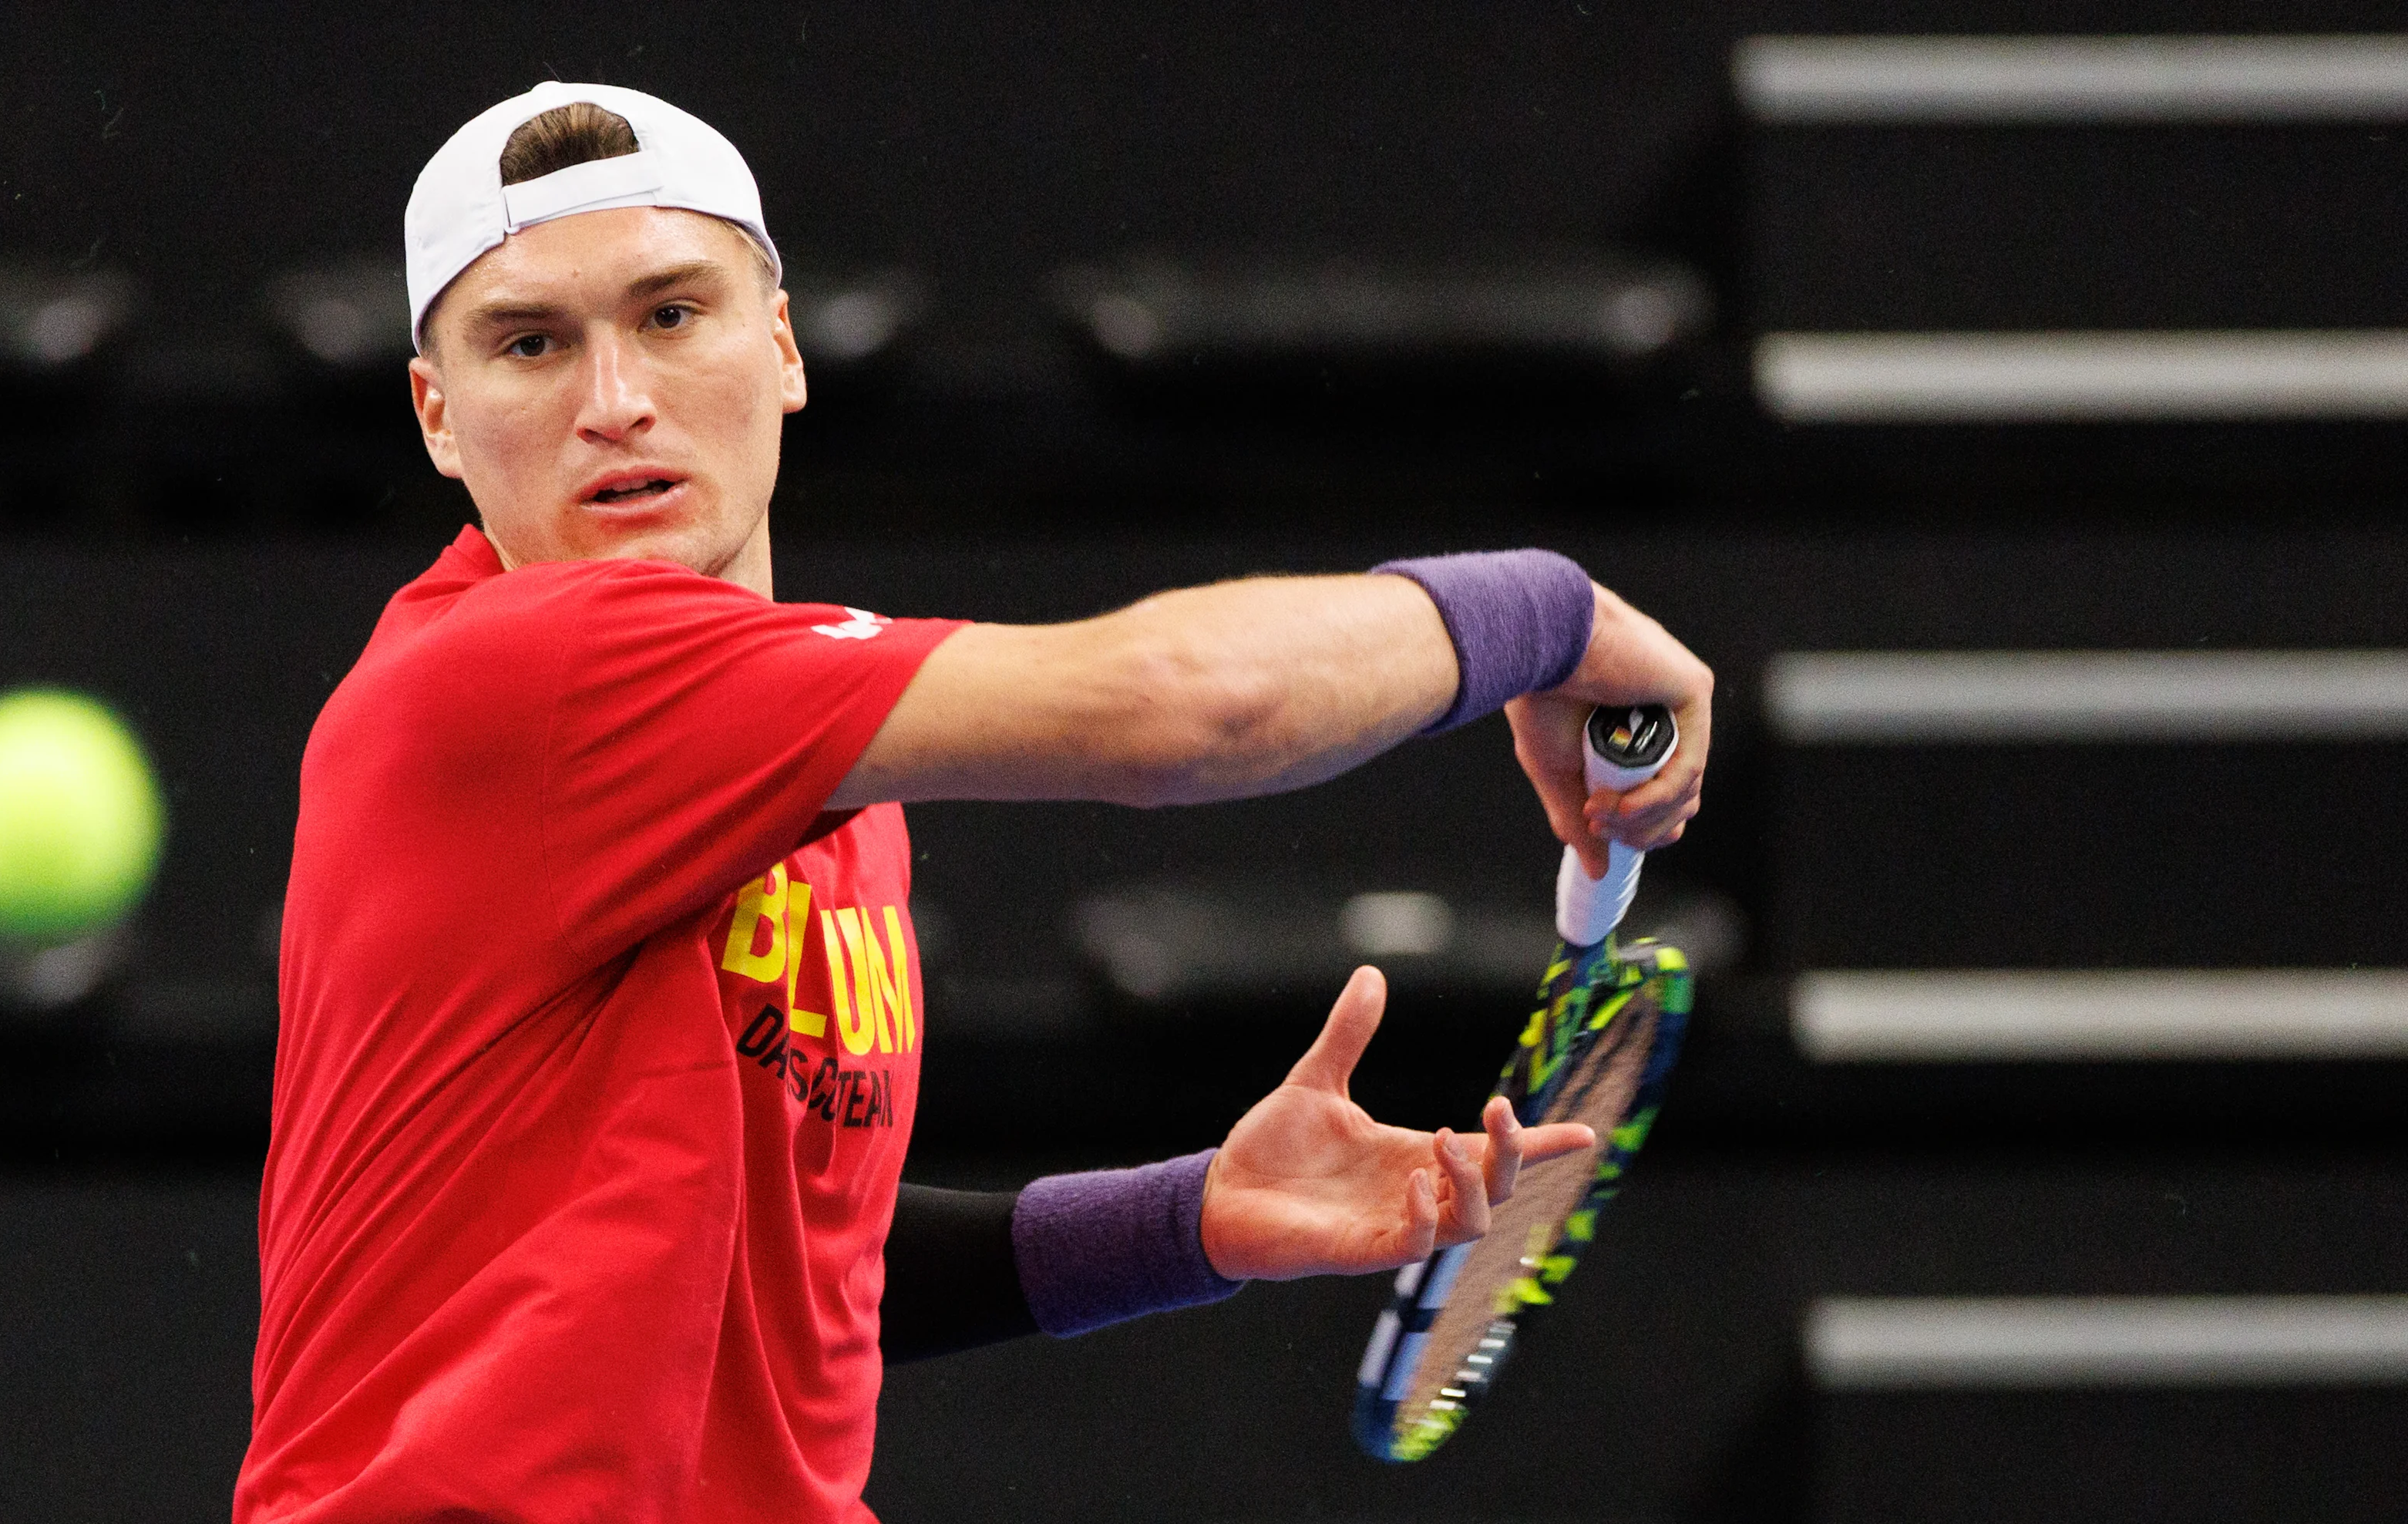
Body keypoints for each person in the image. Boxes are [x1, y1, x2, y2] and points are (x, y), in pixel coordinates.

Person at [236, 81, 1714, 1524]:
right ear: (438, 416)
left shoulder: (821, 777)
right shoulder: (524, 679)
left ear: (786, 347)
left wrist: (1183, 1221)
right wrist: (1554, 612)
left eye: (671, 315)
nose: (615, 402)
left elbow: (807, 1276)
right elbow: (1190, 705)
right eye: (531, 344)